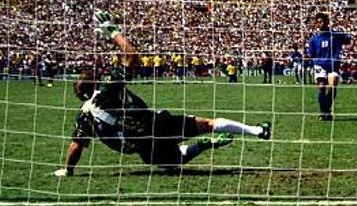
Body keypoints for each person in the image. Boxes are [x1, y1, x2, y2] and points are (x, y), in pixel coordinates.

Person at [53, 11, 270, 177]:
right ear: (96, 83)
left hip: (141, 146)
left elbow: (76, 145)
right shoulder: (108, 89)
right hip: (156, 124)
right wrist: (112, 31)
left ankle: (204, 145)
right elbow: (131, 55)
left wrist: (68, 170)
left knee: (177, 162)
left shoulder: (85, 114)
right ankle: (256, 130)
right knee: (206, 124)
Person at [307, 12, 352, 121]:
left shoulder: (336, 35)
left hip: (333, 65)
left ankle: (326, 109)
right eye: (317, 22)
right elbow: (311, 54)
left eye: (322, 21)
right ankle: (324, 112)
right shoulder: (314, 40)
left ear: (327, 22)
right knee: (321, 87)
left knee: (333, 84)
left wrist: (347, 49)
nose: (320, 24)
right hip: (320, 65)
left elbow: (349, 40)